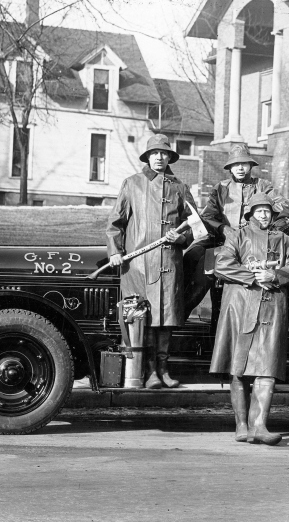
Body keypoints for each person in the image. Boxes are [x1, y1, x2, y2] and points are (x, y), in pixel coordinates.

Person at [209, 193, 289, 445]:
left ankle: (260, 426)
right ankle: (241, 425)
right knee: (238, 367)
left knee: (267, 367)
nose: (263, 215)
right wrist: (253, 277)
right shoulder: (237, 236)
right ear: (250, 214)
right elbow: (222, 265)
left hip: (271, 307)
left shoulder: (284, 240)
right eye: (259, 211)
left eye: (267, 211)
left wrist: (274, 275)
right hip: (240, 306)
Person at [106, 134, 196, 389]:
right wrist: (114, 251)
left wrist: (181, 237)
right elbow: (115, 222)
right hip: (139, 266)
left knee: (166, 319)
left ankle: (163, 370)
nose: (159, 157)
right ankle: (147, 372)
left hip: (169, 264)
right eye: (154, 153)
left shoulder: (180, 187)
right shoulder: (132, 184)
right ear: (147, 157)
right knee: (143, 318)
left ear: (169, 157)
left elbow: (195, 225)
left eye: (164, 153)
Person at [183, 144, 289, 305]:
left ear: (250, 166)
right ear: (230, 168)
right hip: (222, 240)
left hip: (252, 242)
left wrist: (262, 214)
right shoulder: (221, 188)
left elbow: (286, 207)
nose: (240, 168)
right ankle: (180, 312)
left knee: (210, 269)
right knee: (192, 257)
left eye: (244, 164)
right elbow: (208, 216)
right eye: (235, 164)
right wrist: (223, 228)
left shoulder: (263, 186)